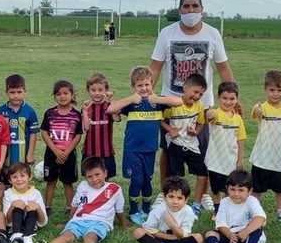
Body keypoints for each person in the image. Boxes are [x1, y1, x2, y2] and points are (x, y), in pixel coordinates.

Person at [149, 0, 234, 187]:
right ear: (179, 9)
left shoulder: (212, 34)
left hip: (202, 106)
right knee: (169, 150)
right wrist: (146, 95)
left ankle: (203, 194)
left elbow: (223, 68)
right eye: (186, 6)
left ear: (202, 9)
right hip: (171, 104)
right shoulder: (167, 33)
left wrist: (232, 97)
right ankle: (166, 189)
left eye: (195, 6)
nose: (191, 10)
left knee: (203, 149)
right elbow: (155, 66)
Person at [107, 66, 182, 225]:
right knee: (137, 180)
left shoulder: (157, 102)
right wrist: (130, 99)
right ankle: (134, 210)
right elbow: (111, 109)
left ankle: (146, 210)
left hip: (150, 149)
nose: (144, 88)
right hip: (132, 150)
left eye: (147, 84)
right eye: (139, 85)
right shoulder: (133, 103)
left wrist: (159, 99)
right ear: (133, 87)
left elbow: (178, 101)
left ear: (152, 84)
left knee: (147, 180)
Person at [34, 156, 127, 243]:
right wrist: (69, 221)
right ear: (85, 178)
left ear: (105, 173)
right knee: (66, 235)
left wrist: (124, 226)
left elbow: (119, 210)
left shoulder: (114, 189)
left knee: (91, 235)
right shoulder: (82, 186)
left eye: (97, 174)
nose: (94, 179)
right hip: (78, 220)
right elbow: (74, 205)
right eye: (90, 177)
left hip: (100, 222)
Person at [248, 70, 281, 228]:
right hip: (261, 159)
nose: (276, 94)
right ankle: (255, 214)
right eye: (272, 90)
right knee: (257, 189)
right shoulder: (261, 107)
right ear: (265, 89)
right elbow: (256, 114)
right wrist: (258, 111)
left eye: (280, 90)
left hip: (280, 160)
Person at [161, 73, 208, 217]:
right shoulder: (174, 104)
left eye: (201, 94)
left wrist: (196, 132)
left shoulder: (199, 106)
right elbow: (160, 119)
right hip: (176, 145)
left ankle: (196, 205)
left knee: (202, 175)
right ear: (185, 88)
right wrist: (171, 129)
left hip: (193, 146)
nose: (197, 96)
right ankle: (176, 203)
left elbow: (201, 122)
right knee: (176, 178)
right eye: (195, 92)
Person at [202, 169, 267, 243]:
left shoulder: (251, 201)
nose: (236, 194)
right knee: (209, 234)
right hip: (231, 236)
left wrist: (245, 232)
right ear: (227, 189)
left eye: (241, 190)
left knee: (256, 227)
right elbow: (221, 224)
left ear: (249, 191)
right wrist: (229, 235)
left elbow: (260, 218)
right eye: (232, 189)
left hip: (248, 235)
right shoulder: (224, 202)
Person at [40, 80, 83, 218]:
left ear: (72, 95)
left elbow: (78, 136)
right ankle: (47, 206)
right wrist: (56, 151)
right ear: (54, 96)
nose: (62, 96)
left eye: (66, 93)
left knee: (67, 181)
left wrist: (66, 152)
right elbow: (44, 133)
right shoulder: (50, 113)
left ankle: (70, 207)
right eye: (58, 94)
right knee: (51, 180)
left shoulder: (76, 115)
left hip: (68, 154)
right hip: (52, 153)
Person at [132, 176, 203, 243]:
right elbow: (148, 228)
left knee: (199, 237)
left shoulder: (188, 211)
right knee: (138, 232)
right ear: (165, 197)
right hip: (158, 238)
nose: (175, 202)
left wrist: (172, 225)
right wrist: (171, 237)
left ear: (186, 200)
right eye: (171, 197)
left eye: (179, 198)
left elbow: (183, 235)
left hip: (178, 239)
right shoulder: (158, 210)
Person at [204, 81, 247, 217]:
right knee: (216, 188)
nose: (228, 102)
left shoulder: (238, 119)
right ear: (218, 98)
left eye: (232, 99)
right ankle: (217, 210)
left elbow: (240, 140)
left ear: (237, 99)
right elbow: (210, 117)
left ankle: (229, 210)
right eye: (225, 98)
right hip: (215, 160)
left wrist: (240, 159)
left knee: (230, 187)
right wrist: (209, 114)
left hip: (231, 160)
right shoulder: (216, 114)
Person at [0, 74, 40, 174]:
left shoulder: (30, 111)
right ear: (6, 92)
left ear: (25, 92)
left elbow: (34, 133)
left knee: (21, 178)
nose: (16, 96)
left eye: (19, 92)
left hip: (23, 155)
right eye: (12, 92)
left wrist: (30, 153)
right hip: (5, 156)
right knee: (6, 182)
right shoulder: (1, 111)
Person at [2, 161, 47, 243]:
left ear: (29, 177)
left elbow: (43, 221)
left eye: (22, 176)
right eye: (14, 177)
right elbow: (7, 220)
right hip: (14, 223)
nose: (19, 180)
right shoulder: (8, 193)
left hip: (31, 222)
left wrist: (37, 208)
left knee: (32, 207)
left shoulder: (36, 193)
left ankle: (28, 236)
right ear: (10, 180)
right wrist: (12, 206)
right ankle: (16, 234)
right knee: (18, 205)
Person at [81, 73, 119, 178]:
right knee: (90, 176)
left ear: (106, 90)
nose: (97, 93)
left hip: (106, 151)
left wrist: (112, 102)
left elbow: (117, 118)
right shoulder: (87, 107)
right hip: (89, 151)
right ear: (88, 90)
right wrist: (84, 111)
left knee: (106, 177)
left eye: (100, 90)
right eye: (93, 90)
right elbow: (86, 127)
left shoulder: (109, 107)